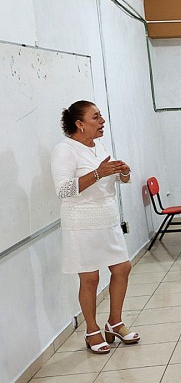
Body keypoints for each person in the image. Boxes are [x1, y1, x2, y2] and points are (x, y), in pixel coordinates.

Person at [51, 101, 138, 354]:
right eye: (95, 117)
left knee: (122, 267)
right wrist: (99, 173)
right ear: (79, 124)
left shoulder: (98, 145)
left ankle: (115, 322)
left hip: (107, 217)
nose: (102, 122)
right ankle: (92, 330)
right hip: (80, 220)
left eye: (101, 116)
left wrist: (122, 173)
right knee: (90, 278)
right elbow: (64, 189)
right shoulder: (65, 150)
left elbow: (112, 179)